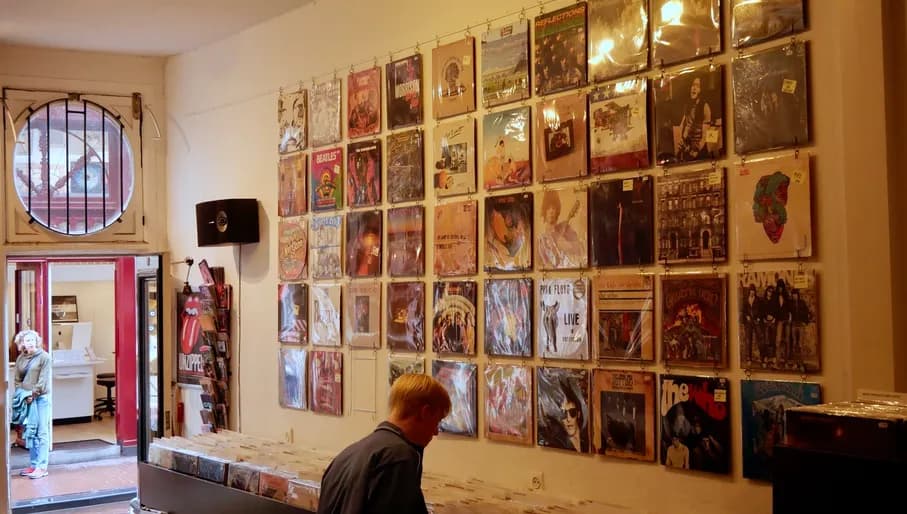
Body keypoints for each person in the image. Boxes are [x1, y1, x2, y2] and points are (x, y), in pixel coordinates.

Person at [317, 374, 451, 514]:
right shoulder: (399, 459)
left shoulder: (346, 455)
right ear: (426, 412)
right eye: (437, 421)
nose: (436, 432)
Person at [13, 330, 52, 479]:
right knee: (31, 432)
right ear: (22, 343)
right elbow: (17, 379)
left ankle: (42, 467)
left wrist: (33, 394)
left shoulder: (44, 357)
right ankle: (34, 464)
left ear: (37, 341)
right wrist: (22, 394)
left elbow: (43, 380)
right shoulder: (21, 358)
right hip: (26, 399)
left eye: (32, 340)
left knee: (42, 432)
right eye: (26, 340)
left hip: (40, 399)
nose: (29, 342)